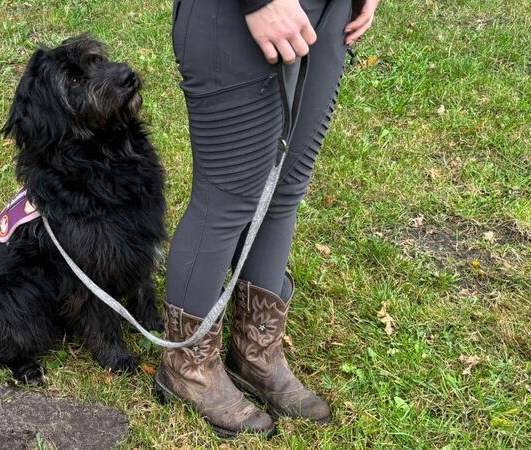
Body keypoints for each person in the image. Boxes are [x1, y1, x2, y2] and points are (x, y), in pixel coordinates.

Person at [155, 0, 380, 438]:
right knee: (228, 197)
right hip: (238, 13)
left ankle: (255, 351)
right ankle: (187, 368)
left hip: (331, 12)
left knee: (284, 188)